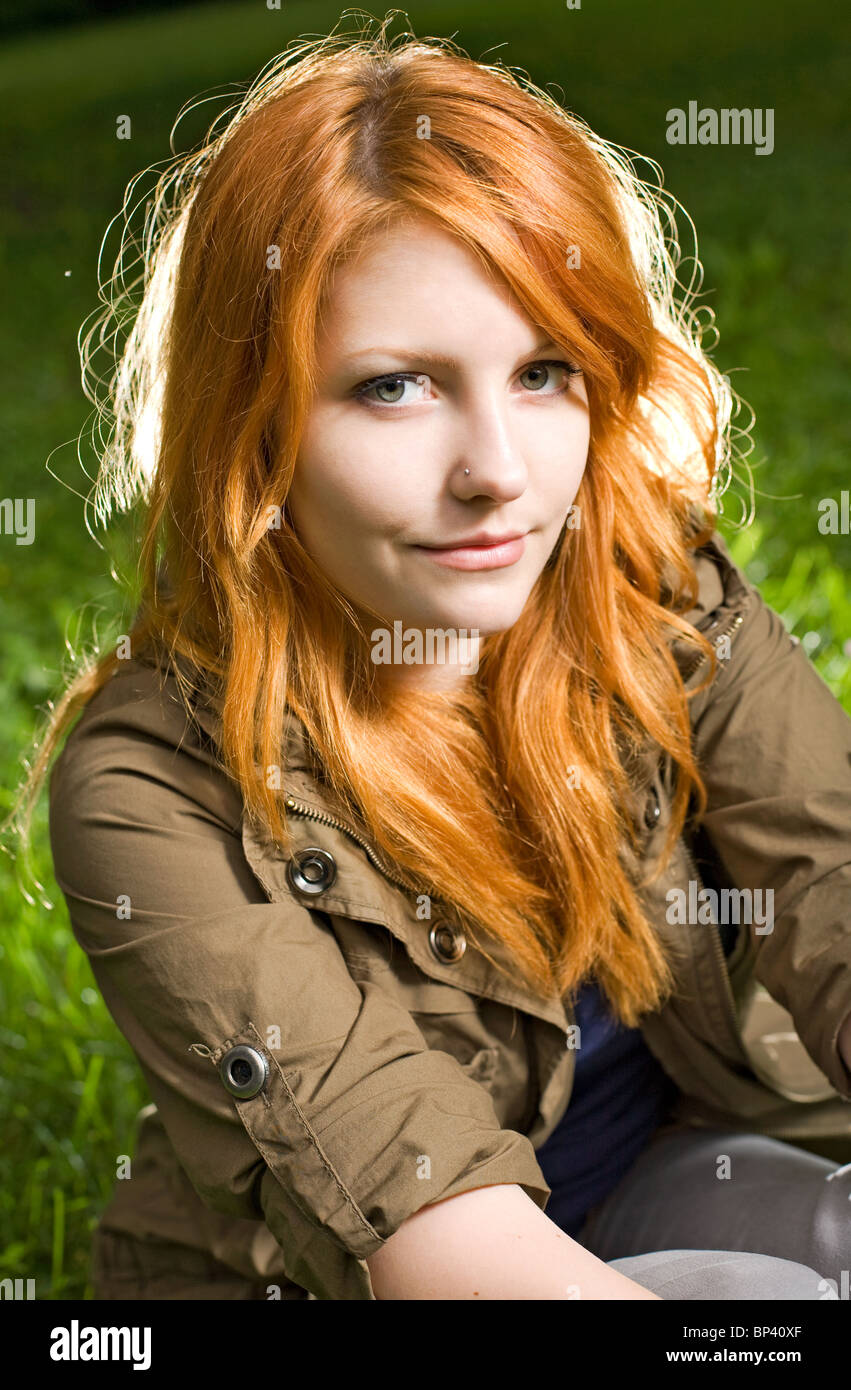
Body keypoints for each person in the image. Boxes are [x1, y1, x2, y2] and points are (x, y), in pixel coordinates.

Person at [11, 21, 851, 1300]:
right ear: (254, 425)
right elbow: (446, 1243)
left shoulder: (655, 603)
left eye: (542, 370)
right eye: (394, 386)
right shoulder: (145, 793)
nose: (498, 474)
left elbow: (829, 885)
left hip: (649, 1177)